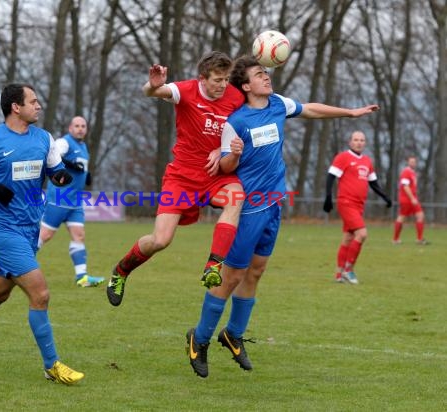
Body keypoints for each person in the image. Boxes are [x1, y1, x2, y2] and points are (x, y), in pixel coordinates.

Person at [186, 55, 381, 378]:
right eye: (259, 74)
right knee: (232, 276)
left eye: (266, 72)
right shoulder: (236, 121)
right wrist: (232, 154)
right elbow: (223, 167)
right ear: (246, 86)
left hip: (274, 204)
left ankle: (233, 334)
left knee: (257, 271)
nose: (267, 77)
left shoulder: (277, 104)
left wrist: (350, 113)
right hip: (249, 208)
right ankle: (200, 337)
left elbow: (312, 109)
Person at [0, 83, 84, 385]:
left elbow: (54, 171)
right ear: (15, 107)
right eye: (33, 101)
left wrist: (61, 177)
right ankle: (52, 366)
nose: (39, 106)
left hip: (29, 228)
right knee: (40, 293)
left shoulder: (44, 139)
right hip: (1, 229)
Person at [105, 51, 246, 307]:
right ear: (202, 78)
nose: (222, 85)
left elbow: (242, 126)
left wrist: (221, 149)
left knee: (236, 196)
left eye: (226, 79)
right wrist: (153, 84)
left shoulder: (235, 97)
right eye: (217, 80)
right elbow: (151, 92)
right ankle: (122, 270)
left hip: (215, 176)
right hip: (181, 178)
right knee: (160, 240)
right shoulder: (186, 90)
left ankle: (214, 264)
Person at [38, 116, 105, 287]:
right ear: (70, 128)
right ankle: (17, 266)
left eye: (83, 126)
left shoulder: (83, 146)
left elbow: (81, 167)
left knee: (79, 235)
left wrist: (85, 175)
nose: (80, 129)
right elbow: (53, 156)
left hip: (75, 202)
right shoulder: (64, 142)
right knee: (44, 236)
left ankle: (82, 277)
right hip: (59, 199)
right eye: (77, 126)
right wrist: (71, 165)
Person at [324, 131, 392, 285]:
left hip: (359, 205)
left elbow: (373, 183)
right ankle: (349, 270)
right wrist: (328, 197)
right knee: (362, 234)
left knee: (348, 238)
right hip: (346, 203)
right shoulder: (343, 157)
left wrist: (385, 197)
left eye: (362, 140)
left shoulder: (367, 161)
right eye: (356, 140)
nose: (359, 142)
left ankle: (338, 274)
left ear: (365, 143)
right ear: (350, 142)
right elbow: (330, 176)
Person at [393, 156, 428, 245]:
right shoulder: (406, 172)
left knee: (420, 215)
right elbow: (405, 186)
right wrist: (412, 198)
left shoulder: (413, 173)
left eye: (414, 162)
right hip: (407, 199)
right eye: (411, 161)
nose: (413, 163)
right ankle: (395, 239)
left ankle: (419, 239)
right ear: (408, 162)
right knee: (402, 217)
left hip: (412, 199)